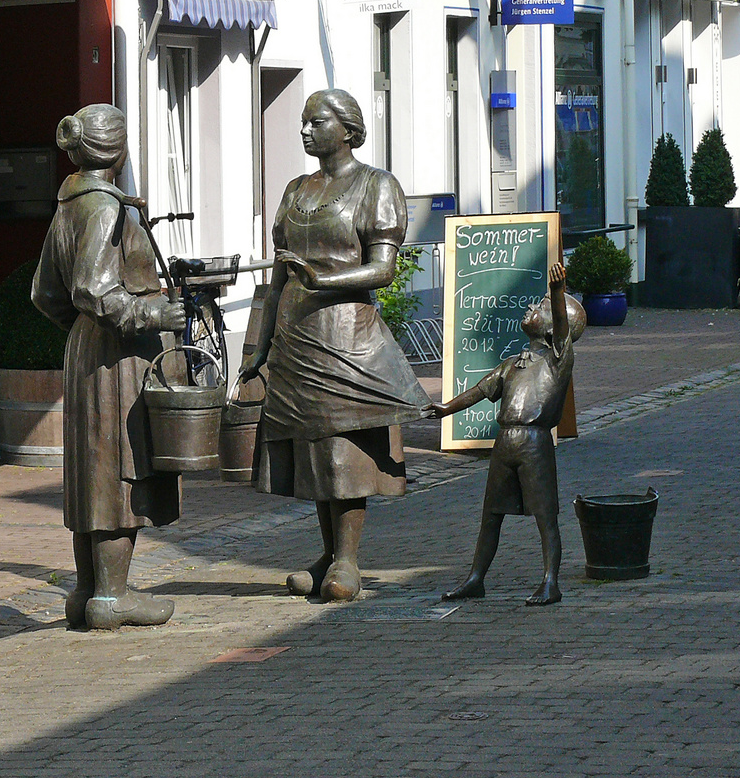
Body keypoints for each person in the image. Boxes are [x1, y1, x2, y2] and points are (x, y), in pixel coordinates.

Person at [240, 89, 430, 603]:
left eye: (315, 122)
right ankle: (326, 553)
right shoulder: (295, 190)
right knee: (313, 450)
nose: (304, 131)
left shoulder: (376, 186)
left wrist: (322, 280)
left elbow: (384, 269)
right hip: (297, 336)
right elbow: (279, 276)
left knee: (344, 447)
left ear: (347, 129)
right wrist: (258, 348)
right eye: (302, 123)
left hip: (347, 335)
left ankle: (348, 559)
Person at [32, 104, 188, 630]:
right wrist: (153, 312)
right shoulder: (104, 207)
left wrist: (81, 334)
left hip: (87, 349)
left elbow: (44, 294)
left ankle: (86, 591)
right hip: (121, 351)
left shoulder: (68, 204)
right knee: (122, 465)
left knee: (90, 468)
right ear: (117, 151)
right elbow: (94, 289)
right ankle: (113, 596)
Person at [423, 261, 585, 606]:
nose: (531, 308)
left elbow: (561, 325)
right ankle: (475, 579)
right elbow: (480, 391)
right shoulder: (512, 363)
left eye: (539, 307)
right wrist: (445, 409)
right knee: (490, 515)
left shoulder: (558, 358)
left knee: (545, 516)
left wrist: (556, 292)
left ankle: (550, 581)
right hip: (505, 442)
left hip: (535, 442)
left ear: (555, 330)